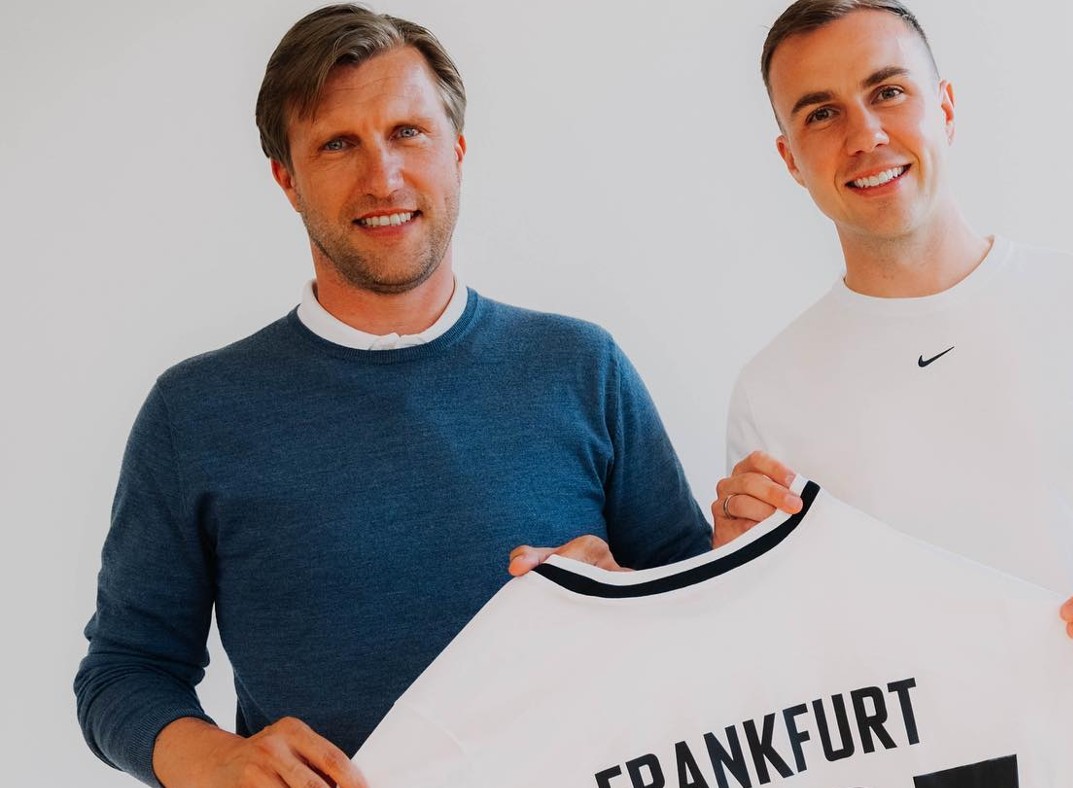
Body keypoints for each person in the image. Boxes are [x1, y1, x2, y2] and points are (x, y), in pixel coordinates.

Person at [73, 6, 710, 787]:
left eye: (408, 132)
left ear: (457, 151)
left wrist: (625, 596)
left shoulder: (582, 367)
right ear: (286, 178)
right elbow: (123, 671)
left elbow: (704, 621)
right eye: (337, 144)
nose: (383, 178)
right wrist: (219, 762)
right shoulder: (194, 413)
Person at [709, 2, 1073, 786]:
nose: (865, 134)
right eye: (821, 113)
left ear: (945, 107)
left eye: (888, 91)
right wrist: (736, 572)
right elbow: (782, 664)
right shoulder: (770, 393)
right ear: (789, 157)